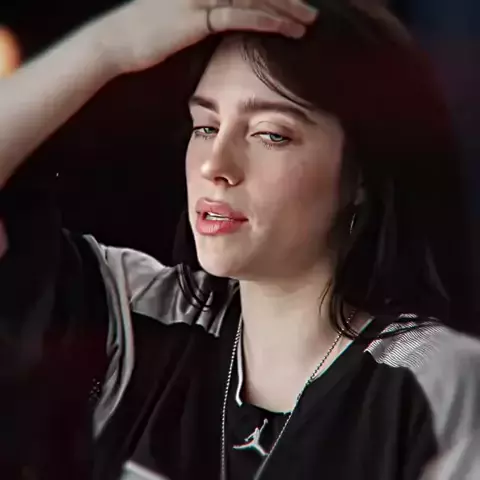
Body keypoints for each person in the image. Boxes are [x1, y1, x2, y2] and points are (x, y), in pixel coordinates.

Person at [0, 0, 479, 479]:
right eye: (206, 126)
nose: (215, 165)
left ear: (362, 175)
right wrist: (110, 45)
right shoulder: (145, 319)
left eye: (271, 135)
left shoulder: (433, 386)